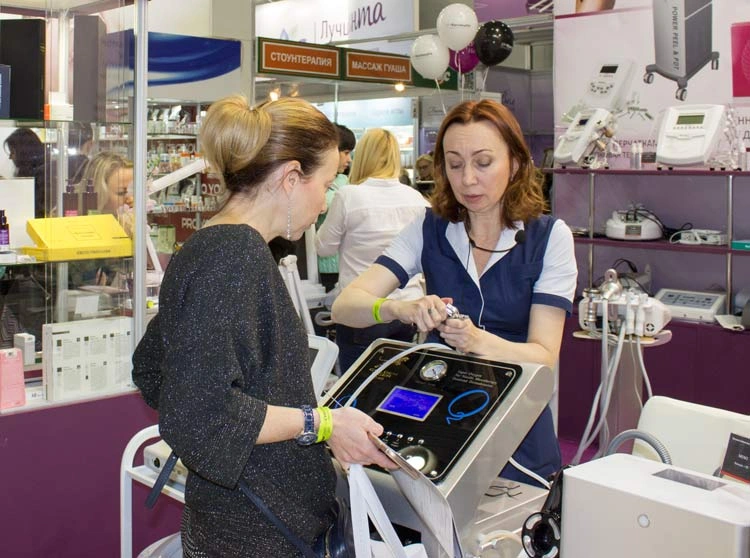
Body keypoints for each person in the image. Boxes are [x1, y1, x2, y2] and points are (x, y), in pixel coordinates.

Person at [131, 94, 394, 557]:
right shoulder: (235, 257)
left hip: (231, 521)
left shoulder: (206, 246)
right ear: (291, 177)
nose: (325, 201)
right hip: (258, 531)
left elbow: (152, 370)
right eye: (326, 184)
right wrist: (322, 423)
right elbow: (200, 414)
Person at [331, 99, 577, 486]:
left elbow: (544, 355)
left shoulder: (548, 238)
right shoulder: (429, 228)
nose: (468, 180)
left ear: (514, 162)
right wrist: (399, 309)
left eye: (483, 162)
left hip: (519, 430)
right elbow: (346, 306)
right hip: (439, 428)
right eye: (455, 164)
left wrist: (478, 341)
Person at [316, 128, 429, 372]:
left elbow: (323, 247)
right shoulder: (417, 199)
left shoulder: (349, 196)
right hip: (407, 311)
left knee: (356, 386)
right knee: (400, 386)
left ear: (363, 156)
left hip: (361, 311)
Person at [316, 123, 356, 292]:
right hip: (318, 268)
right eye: (345, 153)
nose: (349, 159)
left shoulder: (344, 181)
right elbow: (321, 207)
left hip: (343, 266)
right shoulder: (317, 181)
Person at [4, 128, 47, 217]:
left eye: (12, 152)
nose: (10, 157)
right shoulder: (37, 174)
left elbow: (34, 209)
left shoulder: (42, 177)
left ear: (23, 153)